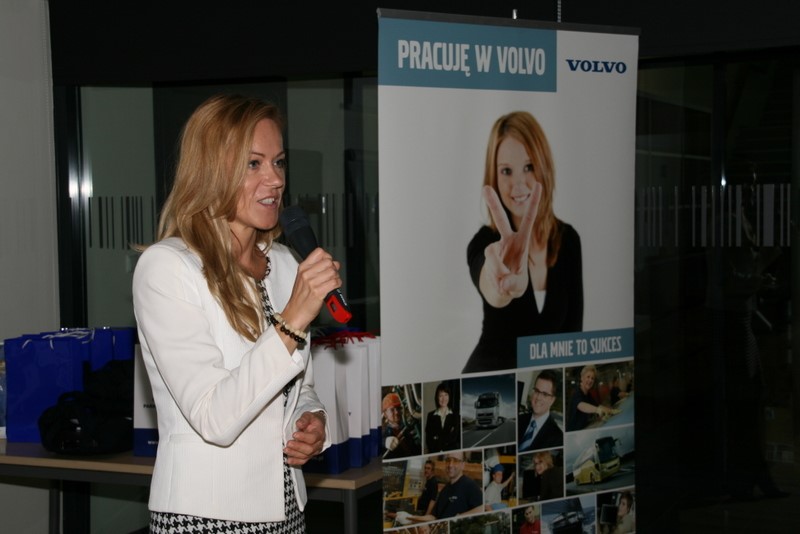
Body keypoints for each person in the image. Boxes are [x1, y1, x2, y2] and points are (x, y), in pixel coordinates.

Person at [132, 94, 332, 533]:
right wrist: (291, 321)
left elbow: (300, 385)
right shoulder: (167, 268)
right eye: (253, 164)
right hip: (206, 515)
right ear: (210, 171)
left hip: (287, 509)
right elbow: (214, 418)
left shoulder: (284, 263)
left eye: (278, 162)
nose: (275, 179)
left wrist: (313, 422)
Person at [464, 111, 583, 373]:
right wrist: (502, 286)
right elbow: (490, 285)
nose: (518, 184)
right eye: (506, 171)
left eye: (528, 167)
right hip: (491, 380)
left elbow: (573, 340)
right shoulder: (485, 242)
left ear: (544, 166)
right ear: (494, 177)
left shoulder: (569, 240)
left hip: (546, 387)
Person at [407, 451, 483, 522]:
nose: (450, 465)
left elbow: (481, 508)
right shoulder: (445, 490)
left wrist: (459, 517)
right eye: (448, 460)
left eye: (455, 461)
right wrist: (412, 518)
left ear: (463, 465)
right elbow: (434, 516)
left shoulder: (470, 486)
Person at [518, 369, 564, 452]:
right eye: (537, 391)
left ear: (552, 400)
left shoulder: (558, 438)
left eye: (545, 394)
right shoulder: (519, 420)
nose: (538, 397)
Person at [566, 365, 610, 431]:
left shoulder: (588, 394)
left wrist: (609, 410)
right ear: (582, 378)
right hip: (573, 433)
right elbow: (581, 405)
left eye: (592, 378)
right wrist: (598, 410)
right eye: (588, 377)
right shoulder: (576, 393)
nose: (590, 380)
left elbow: (598, 406)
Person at [383, 391, 422, 459]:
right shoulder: (385, 434)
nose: (397, 412)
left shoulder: (407, 426)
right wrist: (384, 442)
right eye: (392, 410)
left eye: (398, 408)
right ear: (386, 414)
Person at [425, 382, 459, 453]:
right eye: (440, 396)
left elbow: (455, 438)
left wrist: (437, 438)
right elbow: (429, 439)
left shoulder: (455, 415)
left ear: (449, 396)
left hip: (451, 451)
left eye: (446, 395)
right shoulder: (430, 415)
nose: (444, 399)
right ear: (437, 397)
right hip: (435, 452)